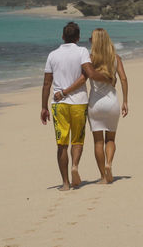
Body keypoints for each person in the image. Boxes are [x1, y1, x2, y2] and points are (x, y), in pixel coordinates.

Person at [41, 22, 111, 191]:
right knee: (77, 140)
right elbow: (88, 73)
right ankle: (75, 166)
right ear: (78, 37)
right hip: (79, 102)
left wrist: (44, 107)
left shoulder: (52, 55)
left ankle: (65, 183)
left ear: (63, 37)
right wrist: (108, 78)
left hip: (59, 105)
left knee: (61, 144)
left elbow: (46, 83)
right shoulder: (82, 52)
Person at [54, 28, 128, 184]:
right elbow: (123, 79)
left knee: (98, 142)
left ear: (94, 42)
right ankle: (109, 163)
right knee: (111, 139)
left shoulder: (90, 59)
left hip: (95, 104)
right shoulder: (116, 58)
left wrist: (64, 91)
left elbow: (82, 79)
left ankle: (102, 176)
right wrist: (126, 101)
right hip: (112, 102)